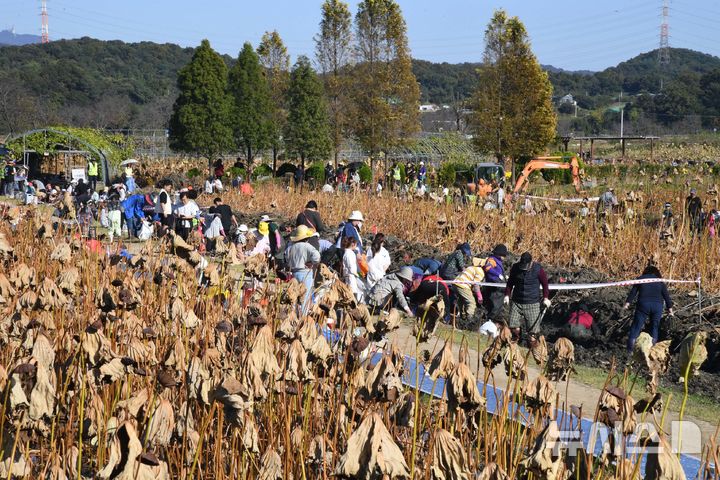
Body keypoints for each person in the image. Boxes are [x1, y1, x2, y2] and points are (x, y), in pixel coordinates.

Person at [624, 265, 674, 352]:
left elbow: (633, 293)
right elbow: (666, 296)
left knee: (636, 327)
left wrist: (627, 304)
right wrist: (670, 310)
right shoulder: (660, 281)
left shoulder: (641, 279)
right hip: (657, 306)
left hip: (643, 305)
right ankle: (651, 350)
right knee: (654, 327)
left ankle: (630, 352)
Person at [504, 252, 550, 343]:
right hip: (517, 302)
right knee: (514, 328)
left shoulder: (538, 269)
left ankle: (533, 350)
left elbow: (545, 284)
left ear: (530, 263)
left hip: (532, 303)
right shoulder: (515, 268)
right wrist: (507, 295)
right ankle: (515, 346)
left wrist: (546, 298)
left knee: (533, 334)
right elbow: (510, 283)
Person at [286, 225, 320, 314]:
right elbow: (317, 257)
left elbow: (286, 259)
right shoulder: (307, 246)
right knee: (305, 297)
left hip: (294, 274)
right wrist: (311, 262)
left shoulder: (291, 247)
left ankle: (293, 316)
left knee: (294, 297)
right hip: (305, 273)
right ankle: (303, 317)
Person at [452, 257, 486, 326]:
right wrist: (479, 297)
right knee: (471, 303)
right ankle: (469, 321)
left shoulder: (471, 267)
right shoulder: (480, 272)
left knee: (461, 301)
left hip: (455, 283)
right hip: (463, 285)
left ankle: (461, 318)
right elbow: (476, 285)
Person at [482, 244, 508, 322]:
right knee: (495, 304)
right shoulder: (492, 260)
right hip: (494, 283)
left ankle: (492, 319)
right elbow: (487, 268)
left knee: (498, 305)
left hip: (498, 283)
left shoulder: (498, 261)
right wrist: (498, 274)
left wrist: (504, 276)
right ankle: (489, 319)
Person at [342, 236, 364, 302]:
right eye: (356, 245)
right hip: (351, 276)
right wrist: (359, 274)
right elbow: (352, 268)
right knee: (352, 293)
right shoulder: (349, 254)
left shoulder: (347, 253)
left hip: (349, 276)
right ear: (353, 244)